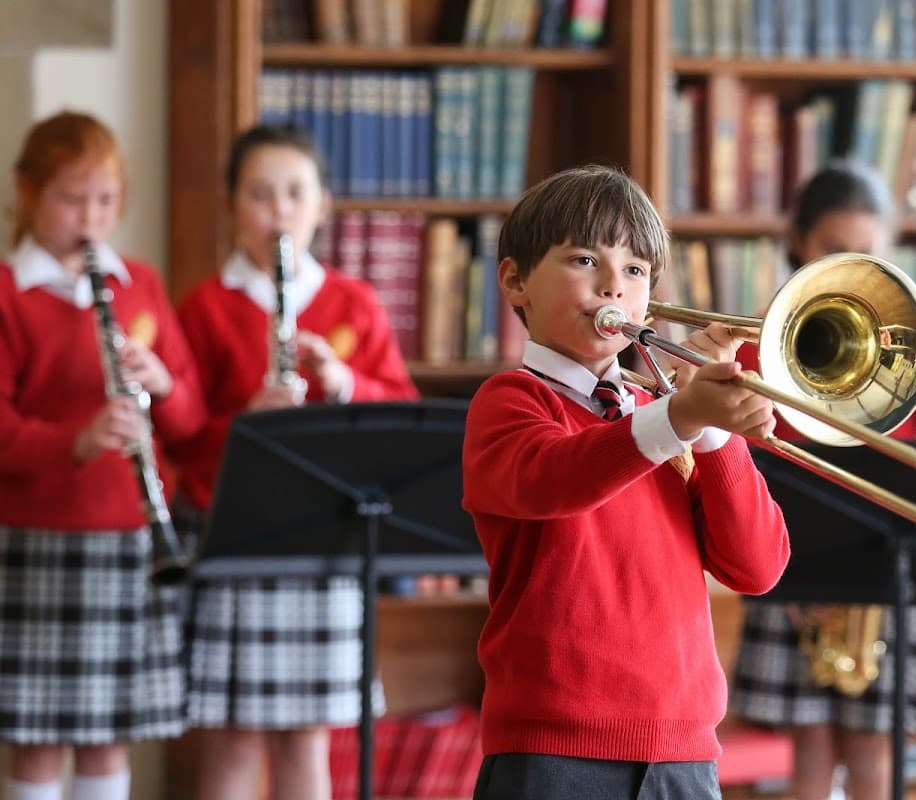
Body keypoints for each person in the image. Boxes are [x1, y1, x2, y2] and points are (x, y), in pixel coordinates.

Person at [461, 164, 791, 800]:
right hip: (552, 750)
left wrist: (715, 433)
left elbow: (757, 566)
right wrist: (683, 416)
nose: (615, 284)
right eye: (585, 259)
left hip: (685, 751)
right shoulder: (510, 401)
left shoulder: (665, 412)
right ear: (515, 281)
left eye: (636, 270)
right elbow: (553, 480)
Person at [173, 123, 419, 800]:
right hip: (237, 535)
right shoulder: (206, 307)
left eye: (293, 193)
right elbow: (182, 434)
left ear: (321, 206)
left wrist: (342, 384)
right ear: (232, 209)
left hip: (325, 537)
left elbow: (400, 411)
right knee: (230, 732)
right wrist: (248, 423)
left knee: (308, 734)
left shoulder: (353, 301)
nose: (278, 210)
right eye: (259, 194)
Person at [731, 161, 916, 800]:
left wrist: (883, 441)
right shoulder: (769, 328)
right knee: (807, 741)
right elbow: (740, 441)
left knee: (872, 747)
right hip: (796, 557)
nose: (849, 261)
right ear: (799, 243)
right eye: (832, 248)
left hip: (886, 556)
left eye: (866, 250)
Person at [0, 110, 203, 800]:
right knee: (35, 741)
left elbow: (190, 419)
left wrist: (162, 385)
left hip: (128, 537)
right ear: (28, 193)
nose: (91, 217)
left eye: (106, 200)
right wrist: (75, 442)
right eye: (71, 198)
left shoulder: (138, 285)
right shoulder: (8, 293)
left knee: (106, 735)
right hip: (35, 537)